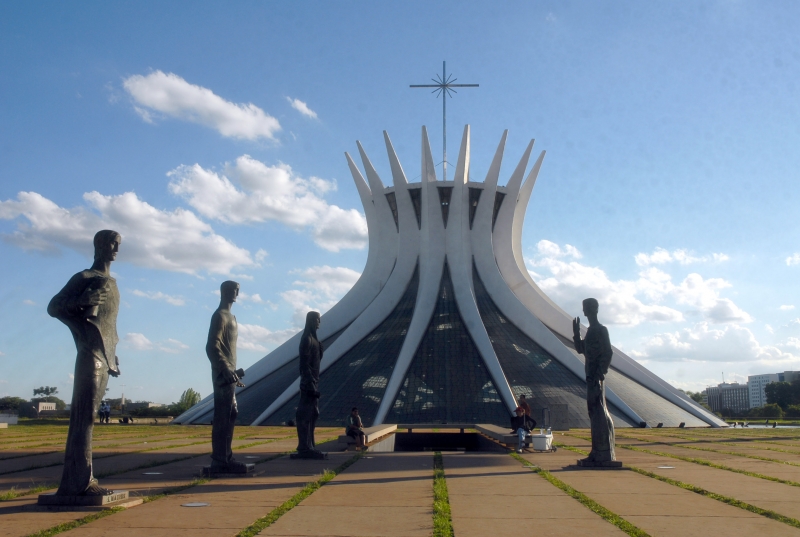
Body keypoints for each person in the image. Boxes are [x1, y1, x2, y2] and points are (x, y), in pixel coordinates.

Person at [48, 230, 122, 496]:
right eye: (110, 243)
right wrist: (81, 301)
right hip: (89, 355)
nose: (115, 248)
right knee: (84, 418)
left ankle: (81, 481)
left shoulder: (111, 282)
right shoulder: (85, 278)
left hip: (103, 356)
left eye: (118, 244)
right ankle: (78, 483)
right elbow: (54, 306)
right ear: (98, 246)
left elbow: (107, 325)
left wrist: (112, 354)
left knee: (88, 418)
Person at [206, 280, 248, 473]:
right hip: (223, 374)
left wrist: (233, 373)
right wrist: (224, 369)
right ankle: (220, 460)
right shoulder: (220, 316)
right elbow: (212, 346)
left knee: (231, 413)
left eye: (237, 290)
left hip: (230, 374)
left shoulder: (232, 317)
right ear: (223, 292)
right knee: (223, 415)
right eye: (232, 290)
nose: (236, 294)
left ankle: (225, 457)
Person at [573, 298, 616, 464]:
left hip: (596, 377)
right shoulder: (590, 331)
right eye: (585, 309)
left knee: (598, 411)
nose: (586, 312)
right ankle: (597, 450)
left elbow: (608, 353)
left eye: (588, 308)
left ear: (595, 310)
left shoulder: (600, 330)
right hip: (590, 376)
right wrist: (576, 334)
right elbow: (580, 349)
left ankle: (603, 452)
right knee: (594, 411)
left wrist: (600, 373)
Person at [292, 311, 326, 459]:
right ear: (312, 321)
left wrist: (320, 351)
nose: (319, 323)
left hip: (314, 381)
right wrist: (310, 382)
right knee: (305, 414)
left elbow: (315, 362)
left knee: (314, 413)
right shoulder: (306, 339)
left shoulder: (315, 341)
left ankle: (310, 444)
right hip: (308, 383)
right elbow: (304, 364)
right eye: (317, 320)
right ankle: (304, 446)